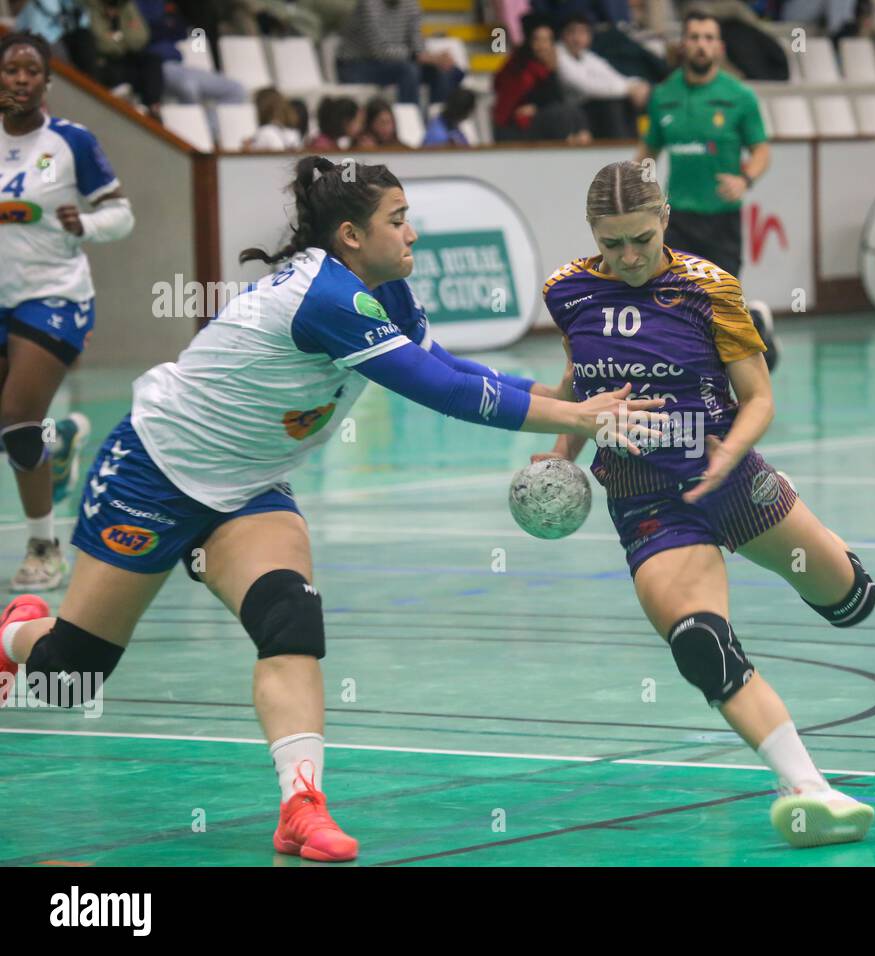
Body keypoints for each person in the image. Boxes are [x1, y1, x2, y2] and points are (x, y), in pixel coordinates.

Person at [0, 155, 666, 862]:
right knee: (67, 681)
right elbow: (437, 392)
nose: (414, 234)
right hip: (154, 473)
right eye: (398, 221)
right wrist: (579, 421)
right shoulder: (326, 298)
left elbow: (457, 371)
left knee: (290, 616)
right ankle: (17, 636)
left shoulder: (387, 292)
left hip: (250, 489)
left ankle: (301, 804)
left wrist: (570, 410)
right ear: (351, 235)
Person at [532, 161, 875, 848]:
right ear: (592, 233)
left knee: (853, 600)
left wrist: (729, 452)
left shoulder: (709, 289)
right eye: (612, 242)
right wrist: (559, 455)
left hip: (730, 476)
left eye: (640, 237)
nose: (628, 256)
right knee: (700, 647)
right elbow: (582, 373)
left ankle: (828, 555)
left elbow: (760, 400)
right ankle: (810, 789)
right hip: (645, 500)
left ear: (664, 219)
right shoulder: (566, 292)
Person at [0, 32, 135, 591]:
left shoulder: (72, 142)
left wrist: (90, 224)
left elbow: (122, 214)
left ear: (48, 81)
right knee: (18, 432)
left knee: (16, 420)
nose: (22, 79)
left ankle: (44, 546)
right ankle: (59, 446)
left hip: (55, 295)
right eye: (11, 70)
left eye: (32, 70)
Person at [634, 10, 779, 369]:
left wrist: (745, 179)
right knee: (677, 305)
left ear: (720, 46)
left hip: (721, 220)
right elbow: (648, 150)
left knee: (721, 307)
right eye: (695, 37)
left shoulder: (739, 96)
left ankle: (758, 330)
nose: (701, 45)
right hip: (676, 218)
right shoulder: (663, 95)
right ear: (683, 44)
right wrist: (634, 187)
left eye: (708, 38)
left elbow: (761, 151)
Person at [335, 0, 463, 107]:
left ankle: (438, 124)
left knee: (441, 71)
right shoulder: (369, 4)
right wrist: (420, 56)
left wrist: (434, 59)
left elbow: (417, 45)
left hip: (395, 63)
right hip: (356, 65)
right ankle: (409, 123)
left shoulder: (411, 5)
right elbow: (379, 51)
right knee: (408, 71)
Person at [491, 14, 590, 144]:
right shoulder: (518, 65)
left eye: (547, 40)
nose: (542, 45)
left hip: (541, 117)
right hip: (515, 126)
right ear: (530, 42)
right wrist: (536, 106)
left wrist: (537, 106)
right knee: (558, 114)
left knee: (574, 110)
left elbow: (553, 96)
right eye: (538, 40)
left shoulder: (549, 65)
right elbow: (513, 101)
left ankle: (583, 140)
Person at [554, 11, 649, 140]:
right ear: (562, 35)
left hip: (593, 110)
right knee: (613, 104)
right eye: (572, 32)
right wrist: (629, 89)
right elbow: (587, 87)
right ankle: (620, 149)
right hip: (575, 114)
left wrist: (636, 85)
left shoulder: (588, 56)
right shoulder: (558, 55)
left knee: (637, 97)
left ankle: (641, 144)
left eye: (582, 32)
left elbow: (613, 77)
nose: (577, 38)